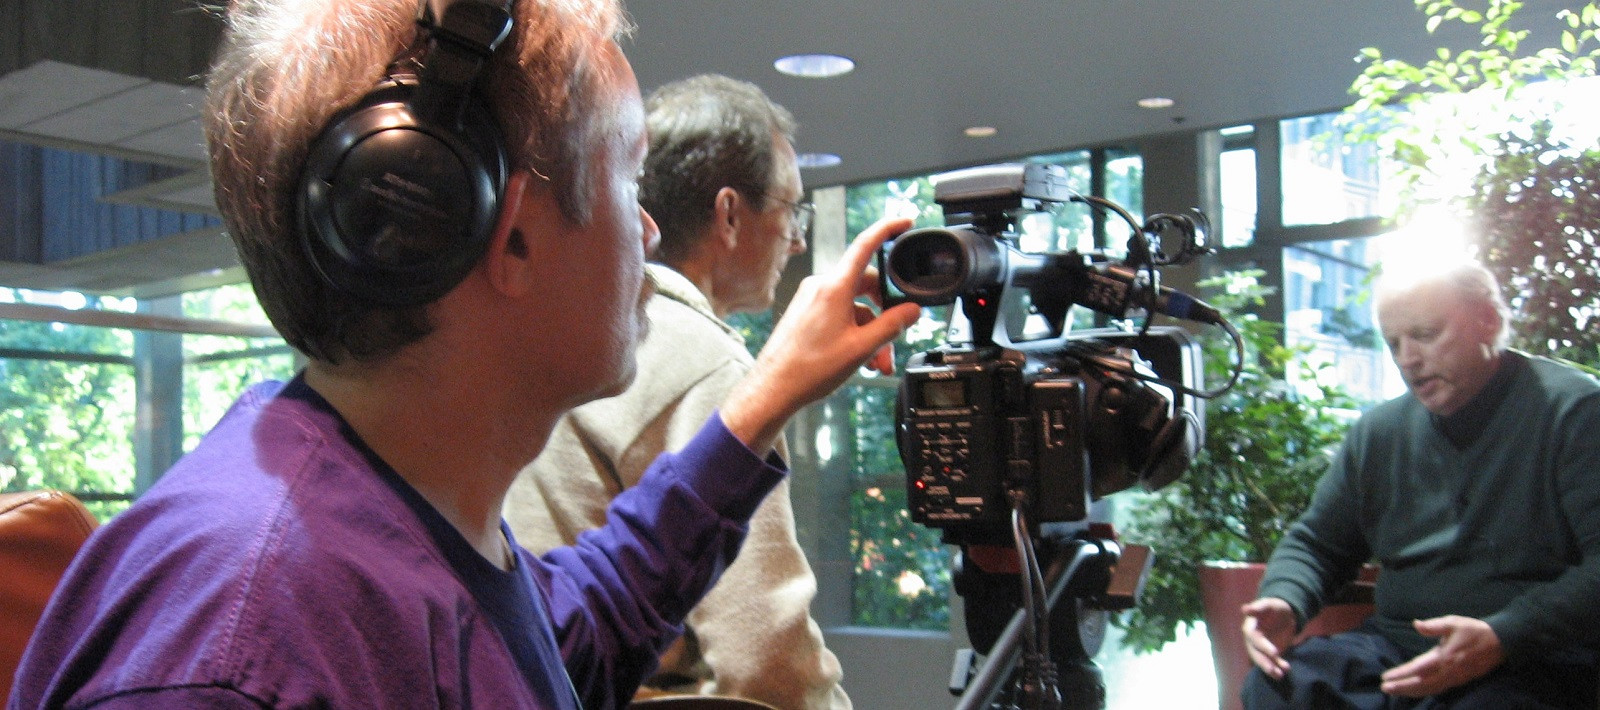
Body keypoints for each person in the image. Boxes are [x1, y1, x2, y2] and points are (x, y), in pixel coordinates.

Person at [5, 1, 922, 708]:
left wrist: (767, 395)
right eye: (627, 179)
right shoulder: (248, 649)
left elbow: (566, 632)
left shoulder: (388, 528)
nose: (646, 228)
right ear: (511, 236)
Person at [503, 74, 848, 709]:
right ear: (729, 214)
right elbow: (764, 661)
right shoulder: (704, 360)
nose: (797, 238)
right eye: (791, 208)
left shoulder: (566, 339)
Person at [1239, 260, 1600, 709]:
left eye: (1426, 335)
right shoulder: (1380, 432)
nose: (1408, 358)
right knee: (1280, 686)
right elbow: (1317, 543)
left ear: (1488, 321)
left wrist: (1504, 634)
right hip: (1397, 651)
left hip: (1529, 655)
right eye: (1394, 343)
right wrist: (1285, 599)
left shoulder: (1573, 411)